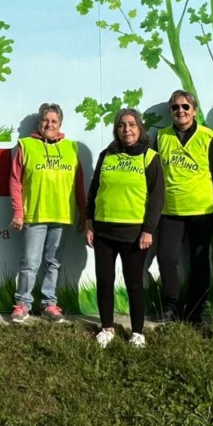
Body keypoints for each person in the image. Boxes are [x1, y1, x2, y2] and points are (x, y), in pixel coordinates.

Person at [86, 109, 164, 348]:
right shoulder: (106, 154)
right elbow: (94, 189)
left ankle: (137, 332)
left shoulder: (149, 157)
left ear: (139, 128)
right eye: (121, 125)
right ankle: (107, 327)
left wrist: (148, 229)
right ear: (116, 129)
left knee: (134, 283)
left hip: (134, 234)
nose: (126, 130)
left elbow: (157, 198)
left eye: (131, 125)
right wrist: (89, 222)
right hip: (103, 231)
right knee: (104, 281)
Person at [8, 102, 86, 323]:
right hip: (35, 215)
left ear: (60, 124)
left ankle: (49, 304)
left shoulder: (72, 148)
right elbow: (15, 182)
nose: (49, 124)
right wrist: (18, 212)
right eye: (45, 120)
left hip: (62, 216)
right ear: (39, 123)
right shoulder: (26, 146)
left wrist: (83, 212)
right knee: (29, 263)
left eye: (53, 121)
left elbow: (78, 184)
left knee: (54, 264)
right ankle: (22, 304)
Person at [154, 90, 213, 325]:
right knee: (166, 258)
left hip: (201, 211)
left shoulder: (208, 137)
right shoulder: (161, 137)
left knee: (199, 261)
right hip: (170, 211)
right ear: (170, 112)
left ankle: (195, 310)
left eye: (185, 106)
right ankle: (171, 306)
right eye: (175, 107)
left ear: (194, 110)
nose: (181, 111)